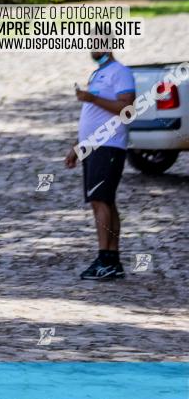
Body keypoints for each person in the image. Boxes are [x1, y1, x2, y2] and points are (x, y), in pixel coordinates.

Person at [65, 51, 136, 280]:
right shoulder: (98, 74)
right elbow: (93, 116)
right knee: (104, 200)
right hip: (93, 147)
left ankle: (105, 258)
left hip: (109, 145)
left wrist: (92, 98)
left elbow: (127, 110)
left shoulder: (120, 72)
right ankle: (112, 259)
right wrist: (77, 147)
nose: (91, 49)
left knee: (100, 200)